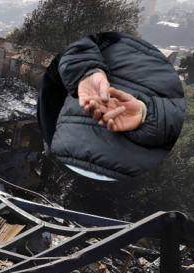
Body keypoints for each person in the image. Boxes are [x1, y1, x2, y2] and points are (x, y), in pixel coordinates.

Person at [38, 32, 185, 181]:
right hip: (65, 154)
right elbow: (71, 48)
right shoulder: (106, 41)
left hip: (114, 169)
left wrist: (147, 115)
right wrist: (86, 71)